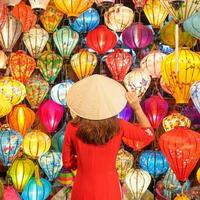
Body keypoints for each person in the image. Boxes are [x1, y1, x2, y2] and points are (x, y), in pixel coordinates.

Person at [63, 74, 154, 200]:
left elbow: (67, 162)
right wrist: (137, 108)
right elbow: (148, 135)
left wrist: (84, 164)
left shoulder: (72, 127)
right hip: (109, 186)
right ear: (110, 101)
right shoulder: (119, 125)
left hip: (82, 185)